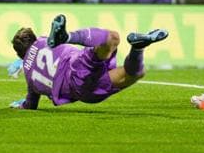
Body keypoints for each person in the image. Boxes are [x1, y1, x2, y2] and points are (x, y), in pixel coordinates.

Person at [9, 14, 169, 110]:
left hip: (83, 92)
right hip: (74, 67)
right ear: (34, 38)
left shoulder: (29, 77)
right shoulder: (42, 40)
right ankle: (68, 37)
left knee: (136, 73)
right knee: (113, 38)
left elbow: (31, 104)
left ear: (20, 54)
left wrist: (22, 104)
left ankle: (138, 48)